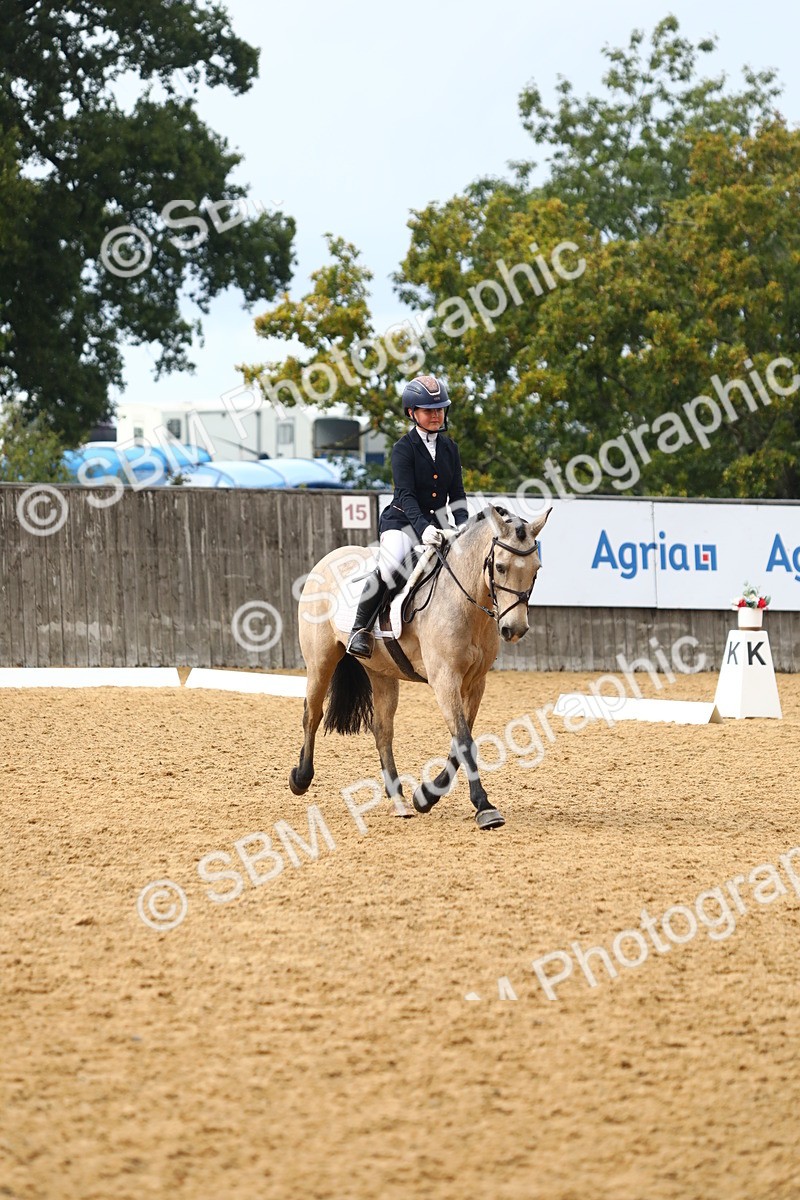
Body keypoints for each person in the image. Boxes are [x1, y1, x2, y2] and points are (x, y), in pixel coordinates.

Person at [347, 374, 470, 658]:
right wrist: (424, 528)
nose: (436, 415)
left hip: (439, 525)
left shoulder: (450, 449)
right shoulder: (403, 449)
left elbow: (458, 494)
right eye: (429, 410)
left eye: (440, 409)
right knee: (391, 567)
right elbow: (406, 495)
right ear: (412, 413)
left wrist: (463, 525)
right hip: (402, 522)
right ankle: (360, 629)